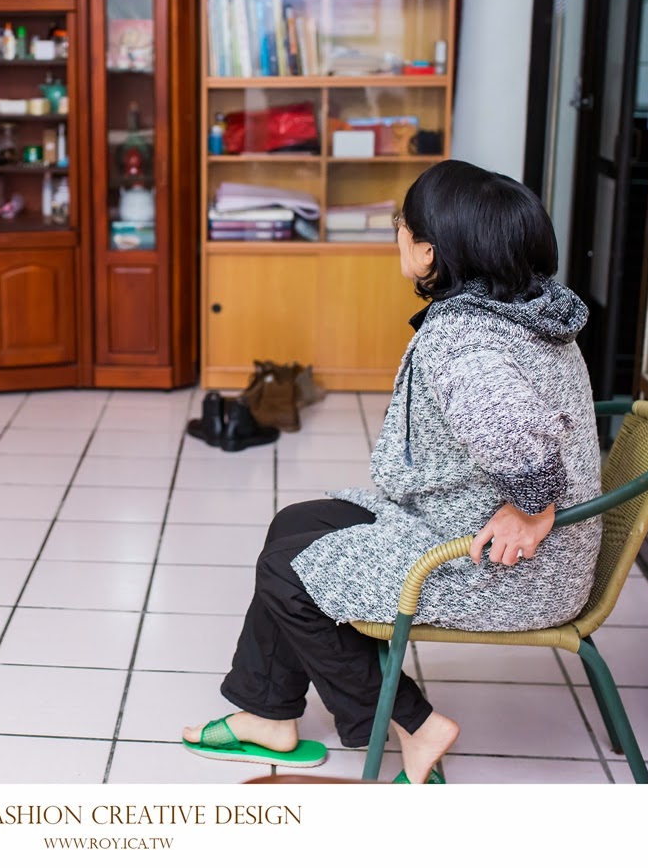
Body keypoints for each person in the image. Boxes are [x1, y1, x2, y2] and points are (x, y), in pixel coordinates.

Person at [182, 159, 603, 784]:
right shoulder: (529, 308)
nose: (397, 233)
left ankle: (414, 725)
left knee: (287, 571)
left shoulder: (464, 342)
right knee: (293, 525)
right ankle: (267, 712)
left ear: (430, 251)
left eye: (401, 225)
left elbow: (525, 449)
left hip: (504, 563)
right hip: (487, 527)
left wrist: (531, 507)